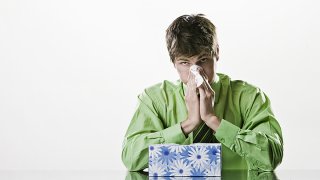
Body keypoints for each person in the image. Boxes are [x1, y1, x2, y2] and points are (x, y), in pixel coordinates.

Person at [121, 14, 283, 171]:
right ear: (173, 62)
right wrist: (188, 124)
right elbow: (131, 159)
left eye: (203, 60)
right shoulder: (154, 99)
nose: (196, 72)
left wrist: (213, 120)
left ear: (217, 52)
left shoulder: (249, 97)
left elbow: (271, 157)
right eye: (185, 63)